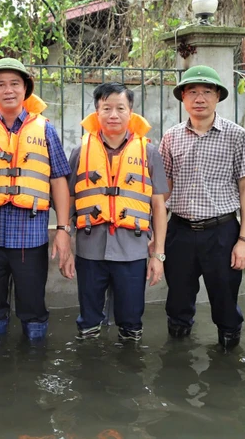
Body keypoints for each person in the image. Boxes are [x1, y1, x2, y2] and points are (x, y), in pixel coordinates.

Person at [0, 58, 73, 342]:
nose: (8, 90)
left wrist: (63, 230)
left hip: (31, 238)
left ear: (26, 88)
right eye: (0, 84)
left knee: (33, 308)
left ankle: (33, 366)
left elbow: (59, 180)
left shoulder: (46, 130)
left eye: (15, 83)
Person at [159, 66, 245, 350]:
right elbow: (164, 189)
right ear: (183, 98)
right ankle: (176, 361)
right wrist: (158, 234)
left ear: (217, 97)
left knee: (225, 302)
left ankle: (228, 367)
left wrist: (244, 240)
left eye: (207, 92)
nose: (199, 98)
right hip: (180, 231)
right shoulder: (171, 137)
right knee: (177, 302)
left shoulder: (237, 136)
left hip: (222, 232)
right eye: (192, 92)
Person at [68, 82, 168, 342]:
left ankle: (129, 370)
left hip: (132, 249)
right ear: (96, 112)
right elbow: (69, 199)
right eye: (106, 108)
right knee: (88, 321)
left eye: (120, 108)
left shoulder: (148, 152)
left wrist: (158, 255)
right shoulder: (81, 152)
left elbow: (158, 206)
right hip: (90, 248)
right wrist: (66, 245)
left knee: (131, 321)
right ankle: (90, 370)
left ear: (131, 112)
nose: (113, 115)